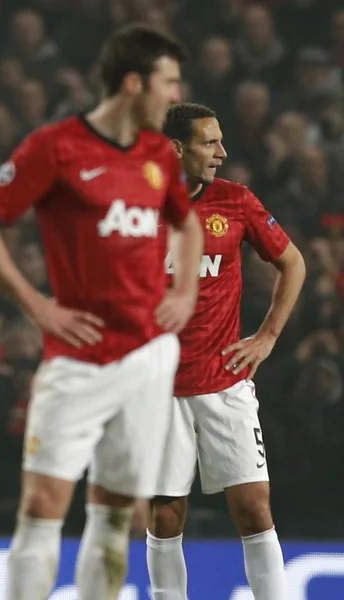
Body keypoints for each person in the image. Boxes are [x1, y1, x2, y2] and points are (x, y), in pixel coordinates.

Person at [0, 24, 203, 600]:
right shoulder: (56, 146)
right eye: (168, 82)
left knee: (115, 511)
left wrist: (186, 291)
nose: (175, 95)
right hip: (78, 359)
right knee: (42, 506)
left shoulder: (158, 154)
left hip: (147, 356)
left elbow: (187, 225)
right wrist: (35, 304)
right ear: (133, 83)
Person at [147, 102, 305, 600]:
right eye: (210, 143)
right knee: (165, 514)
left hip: (225, 382)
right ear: (177, 149)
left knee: (254, 508)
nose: (222, 152)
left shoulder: (235, 201)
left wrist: (268, 336)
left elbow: (293, 263)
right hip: (158, 391)